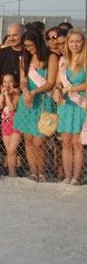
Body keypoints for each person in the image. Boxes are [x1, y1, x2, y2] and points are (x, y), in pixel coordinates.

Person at [14, 29, 59, 182]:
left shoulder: (52, 57)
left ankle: (42, 172)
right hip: (27, 102)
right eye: (26, 46)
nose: (28, 48)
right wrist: (26, 90)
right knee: (28, 139)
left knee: (40, 141)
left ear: (38, 42)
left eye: (31, 45)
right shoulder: (24, 59)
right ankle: (34, 172)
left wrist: (35, 92)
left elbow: (51, 82)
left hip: (44, 102)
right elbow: (23, 80)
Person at [55, 29, 86, 185]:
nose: (75, 44)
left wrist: (71, 89)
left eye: (78, 41)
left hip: (80, 105)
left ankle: (76, 177)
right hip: (65, 105)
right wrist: (58, 89)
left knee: (78, 143)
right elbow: (58, 82)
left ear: (83, 42)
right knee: (66, 142)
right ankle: (67, 176)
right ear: (67, 43)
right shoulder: (63, 60)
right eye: (71, 41)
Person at [0, 73, 21, 177]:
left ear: (14, 83)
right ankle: (11, 173)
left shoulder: (17, 95)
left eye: (10, 81)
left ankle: (13, 172)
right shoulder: (3, 94)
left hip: (16, 125)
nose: (7, 84)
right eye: (5, 82)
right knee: (8, 151)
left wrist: (7, 96)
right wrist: (2, 95)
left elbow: (12, 108)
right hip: (5, 125)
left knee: (12, 149)